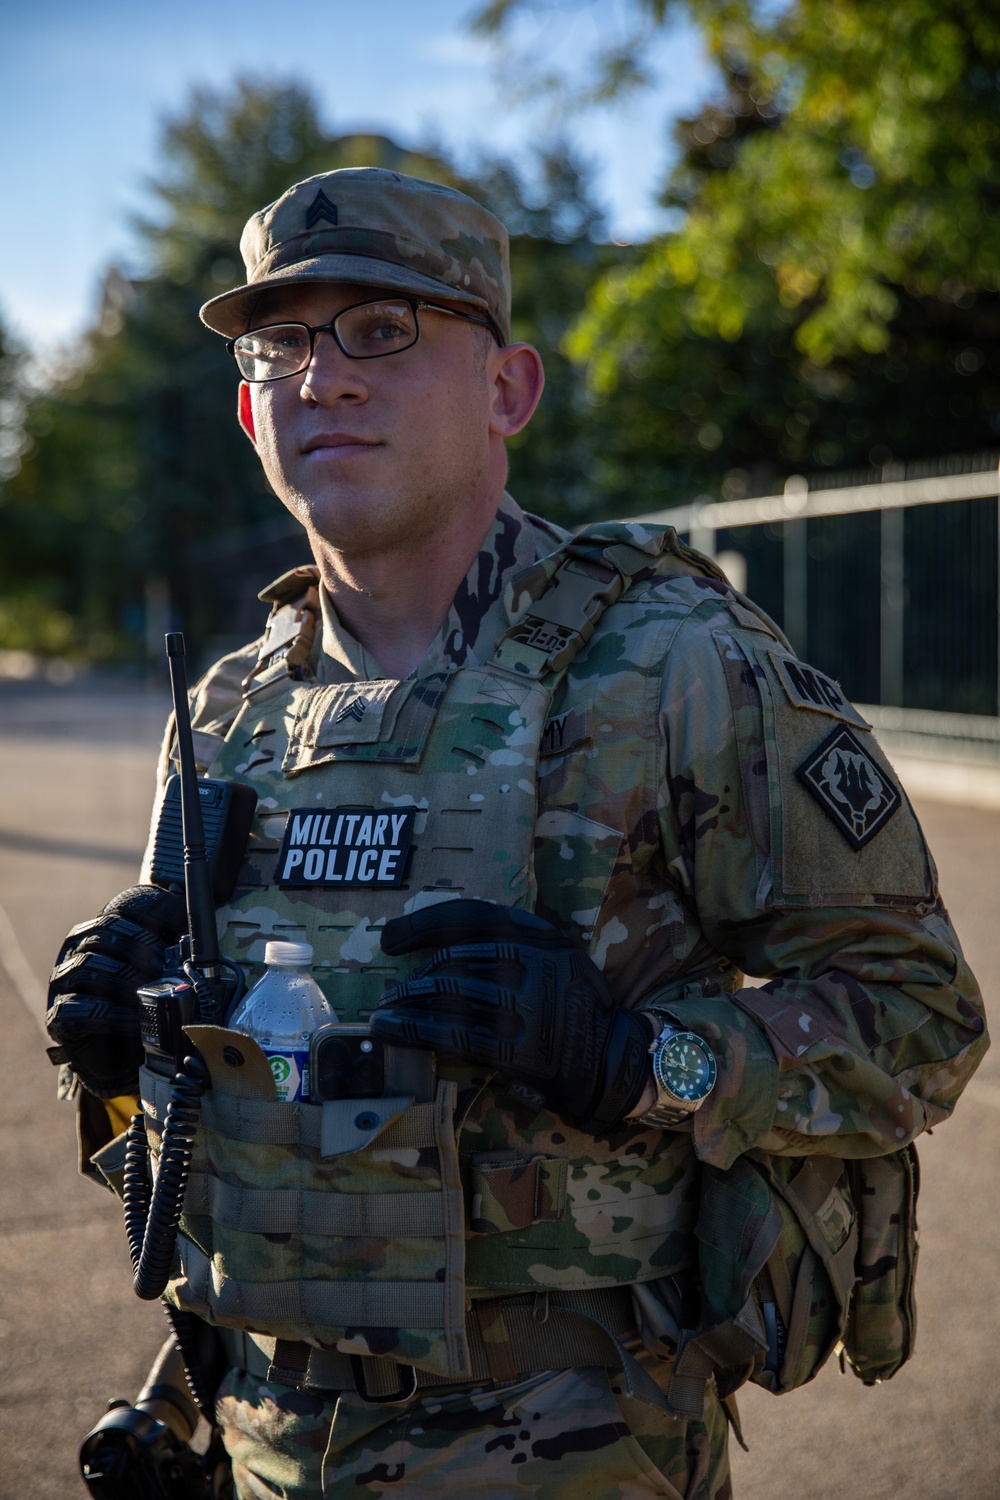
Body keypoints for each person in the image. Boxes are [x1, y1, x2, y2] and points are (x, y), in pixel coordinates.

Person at [46, 167, 988, 1500]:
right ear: (249, 400)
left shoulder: (669, 664)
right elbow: (209, 1140)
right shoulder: (231, 708)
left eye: (380, 330)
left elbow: (920, 1023)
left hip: (576, 1450)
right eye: (281, 344)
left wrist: (631, 1057)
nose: (325, 377)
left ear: (507, 390)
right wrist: (126, 1066)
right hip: (264, 1444)